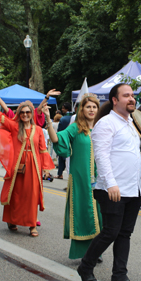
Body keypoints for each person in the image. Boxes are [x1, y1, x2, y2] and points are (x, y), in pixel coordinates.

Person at [76, 83, 141, 281]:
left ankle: (119, 277)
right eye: (126, 95)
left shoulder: (132, 125)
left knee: (124, 234)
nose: (131, 99)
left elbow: (135, 157)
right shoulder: (106, 123)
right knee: (110, 231)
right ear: (115, 100)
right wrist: (111, 184)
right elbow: (101, 156)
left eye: (133, 96)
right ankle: (86, 267)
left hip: (133, 190)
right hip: (112, 190)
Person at [0, 95, 54, 237]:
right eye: (22, 112)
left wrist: (46, 168)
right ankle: (12, 220)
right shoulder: (15, 126)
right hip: (17, 165)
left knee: (32, 195)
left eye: (27, 112)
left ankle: (31, 225)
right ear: (19, 114)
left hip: (34, 167)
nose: (25, 115)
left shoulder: (38, 130)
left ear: (31, 114)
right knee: (16, 194)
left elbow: (43, 150)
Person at [45, 94, 103, 259]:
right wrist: (49, 120)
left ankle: (95, 250)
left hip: (102, 179)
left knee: (101, 214)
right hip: (81, 179)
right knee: (84, 213)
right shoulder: (76, 127)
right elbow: (58, 139)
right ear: (81, 109)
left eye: (94, 107)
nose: (91, 110)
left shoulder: (102, 127)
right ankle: (85, 252)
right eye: (88, 107)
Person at [56, 102, 73, 179]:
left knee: (61, 158)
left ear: (66, 109)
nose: (62, 109)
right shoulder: (74, 117)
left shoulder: (63, 119)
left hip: (63, 139)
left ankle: (60, 174)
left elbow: (59, 131)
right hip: (72, 140)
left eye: (63, 108)